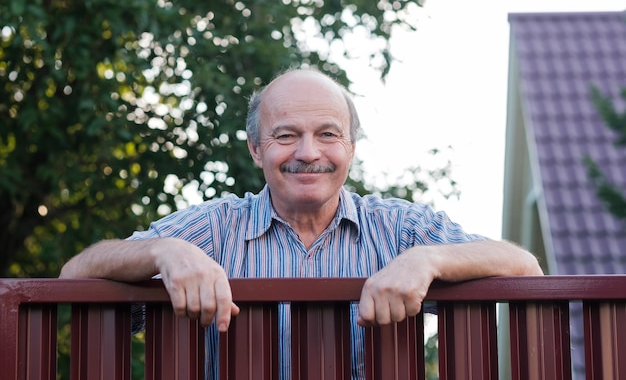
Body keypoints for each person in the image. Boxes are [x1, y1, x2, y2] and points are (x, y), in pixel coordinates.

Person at [60, 67, 543, 378]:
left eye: (328, 134)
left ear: (351, 148)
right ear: (256, 149)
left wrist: (430, 258)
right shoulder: (212, 228)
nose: (308, 153)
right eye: (286, 135)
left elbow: (524, 266)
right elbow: (74, 274)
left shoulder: (400, 229)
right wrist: (160, 251)